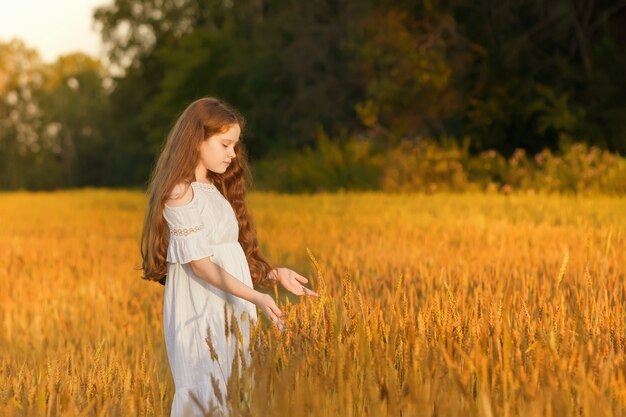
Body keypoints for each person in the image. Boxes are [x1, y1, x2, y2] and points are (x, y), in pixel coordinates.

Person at [139, 97, 319, 417]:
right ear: (197, 140)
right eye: (224, 144)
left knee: (233, 393)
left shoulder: (212, 187)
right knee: (206, 392)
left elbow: (227, 253)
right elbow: (202, 265)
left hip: (230, 306)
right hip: (201, 311)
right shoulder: (180, 193)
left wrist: (274, 275)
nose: (232, 154)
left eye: (234, 145)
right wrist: (258, 298)